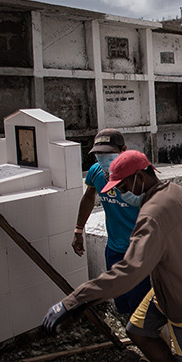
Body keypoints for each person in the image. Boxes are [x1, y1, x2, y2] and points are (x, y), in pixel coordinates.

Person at [43, 150, 182, 362]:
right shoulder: (180, 192)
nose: (122, 193)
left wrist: (74, 301)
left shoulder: (152, 215)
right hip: (178, 283)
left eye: (123, 187)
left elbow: (128, 272)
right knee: (138, 330)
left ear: (141, 178)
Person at [71, 129, 150, 315]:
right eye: (99, 153)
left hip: (141, 251)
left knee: (143, 309)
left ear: (123, 150)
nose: (103, 158)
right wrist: (78, 229)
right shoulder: (96, 172)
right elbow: (89, 196)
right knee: (122, 303)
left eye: (108, 153)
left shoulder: (140, 176)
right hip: (115, 249)